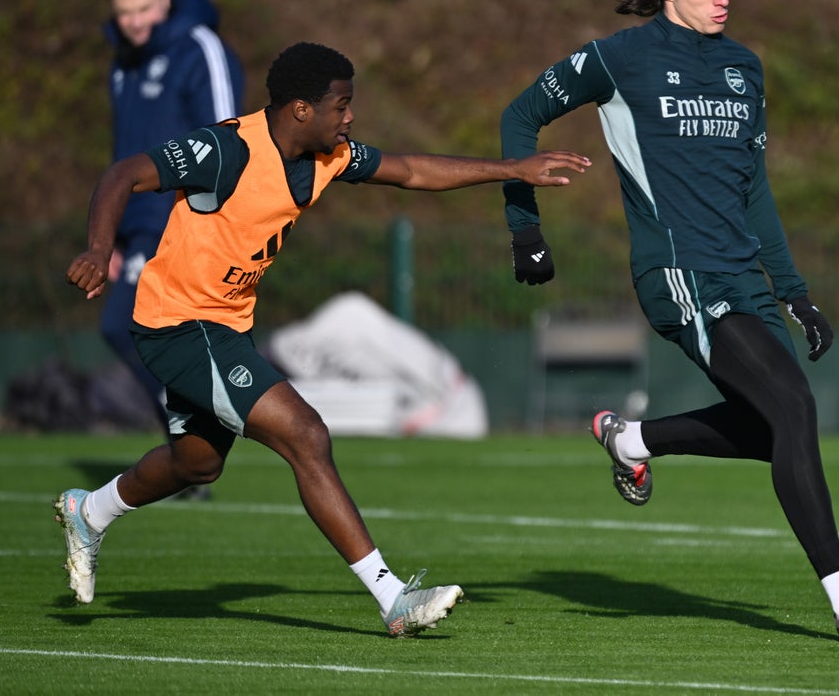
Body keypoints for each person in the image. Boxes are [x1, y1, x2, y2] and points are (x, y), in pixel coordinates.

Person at [57, 41, 591, 637]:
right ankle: (393, 598)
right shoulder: (225, 149)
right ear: (301, 110)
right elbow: (124, 173)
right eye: (342, 105)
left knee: (196, 465)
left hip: (226, 327)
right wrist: (100, 248)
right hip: (178, 324)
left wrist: (511, 171)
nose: (350, 117)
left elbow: (411, 171)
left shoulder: (328, 155)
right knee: (306, 435)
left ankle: (90, 510)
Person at [499, 0, 839, 643]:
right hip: (679, 272)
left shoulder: (744, 67)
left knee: (773, 427)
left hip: (743, 276)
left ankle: (633, 439)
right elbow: (520, 115)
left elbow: (755, 186)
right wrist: (526, 229)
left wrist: (795, 293)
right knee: (792, 407)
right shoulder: (618, 58)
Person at [101, 0, 245, 435]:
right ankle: (193, 442)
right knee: (137, 330)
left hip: (182, 221)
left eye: (144, 8)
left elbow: (227, 135)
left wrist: (215, 219)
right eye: (125, 13)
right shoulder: (123, 66)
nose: (135, 22)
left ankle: (197, 431)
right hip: (140, 228)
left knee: (125, 325)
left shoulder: (199, 48)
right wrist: (117, 237)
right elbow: (125, 157)